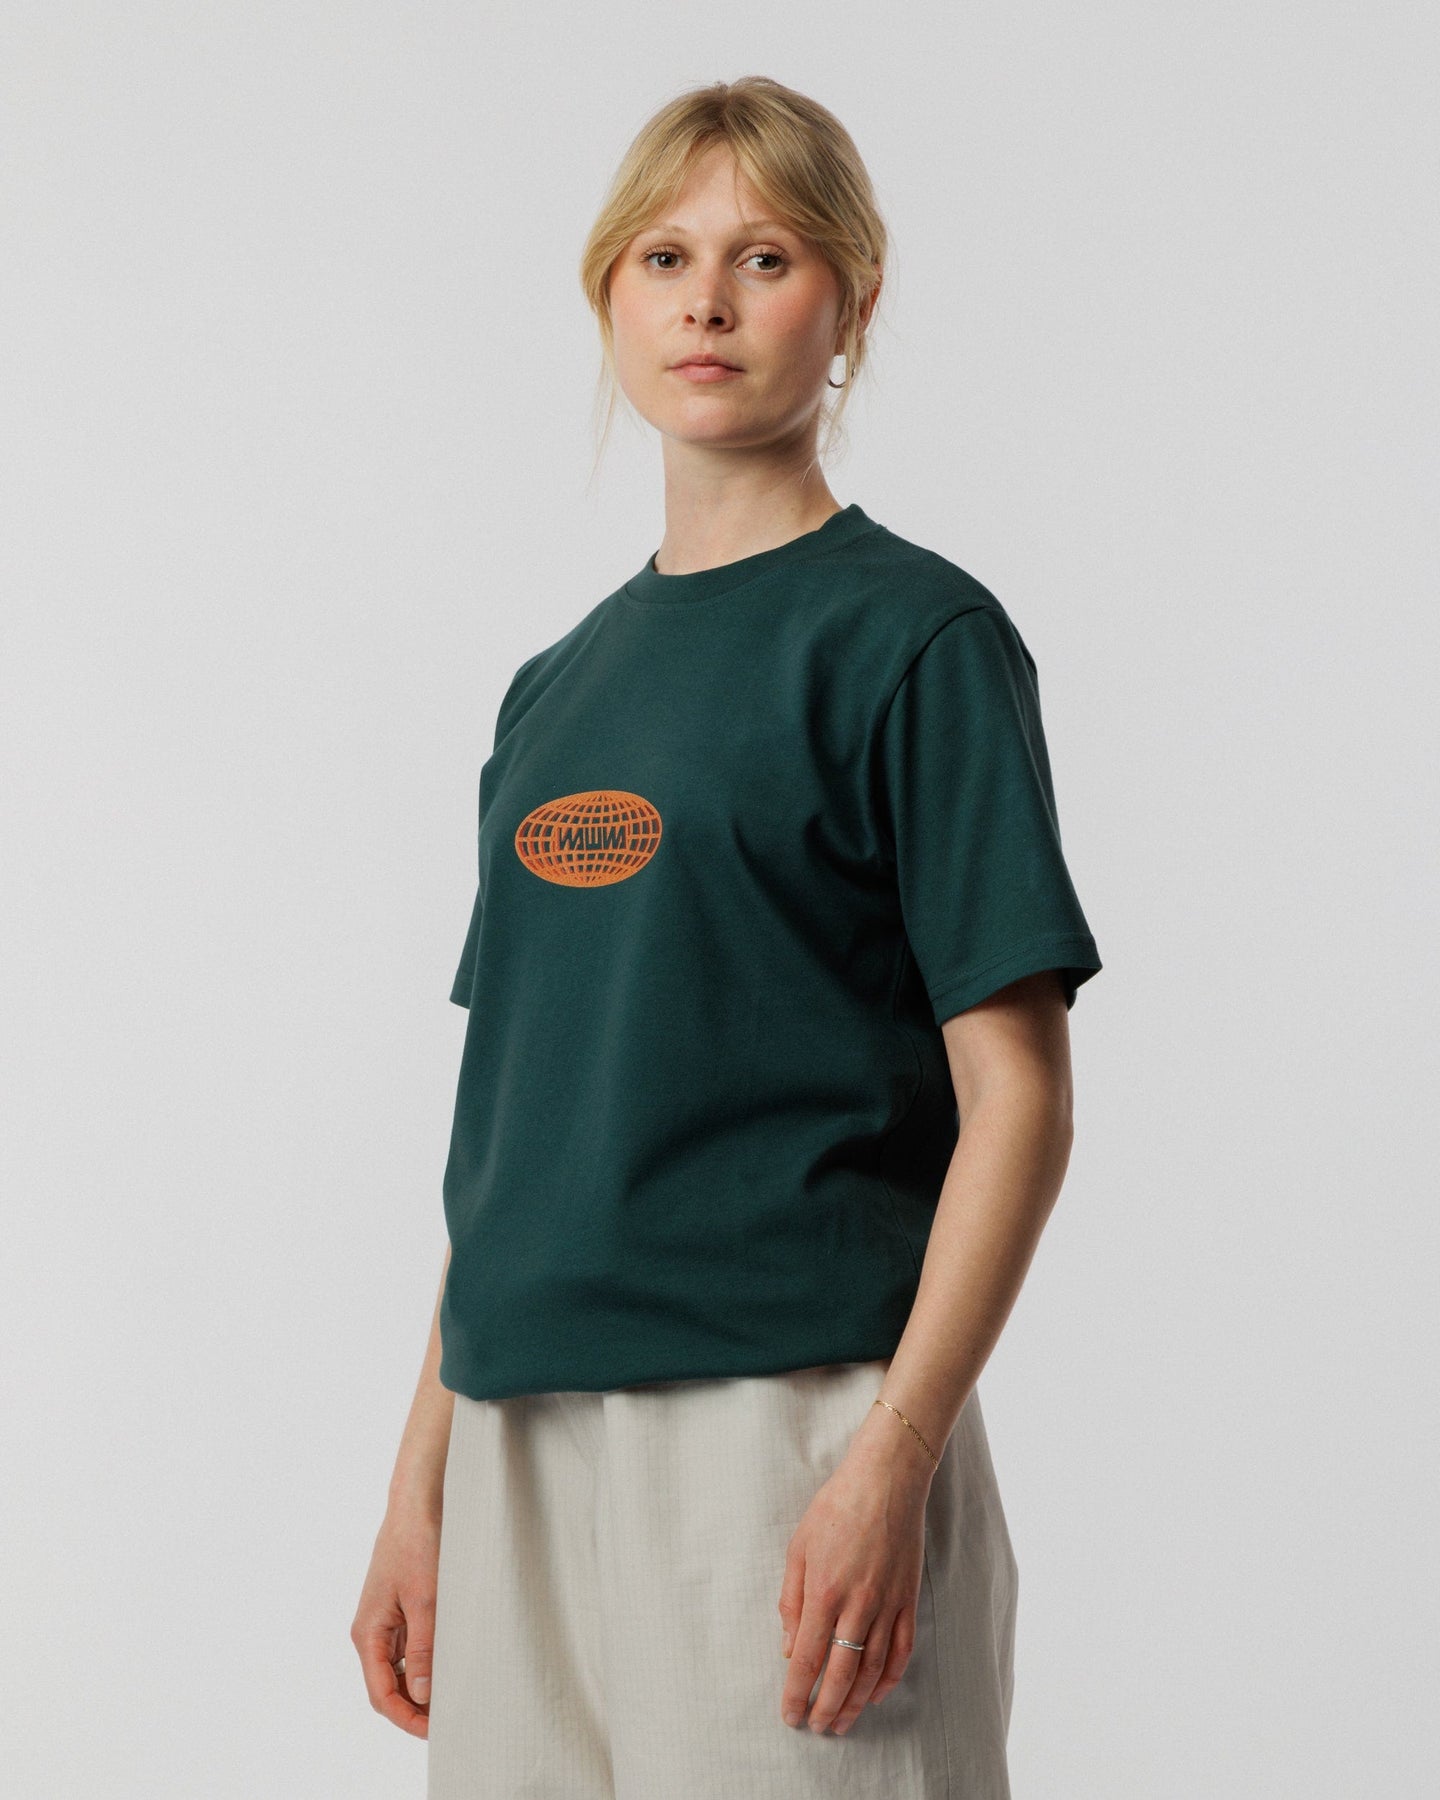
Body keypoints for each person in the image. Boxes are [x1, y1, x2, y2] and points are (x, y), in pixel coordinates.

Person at [351, 75, 1103, 1800]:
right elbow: (521, 1124)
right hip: (524, 1429)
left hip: (785, 1424)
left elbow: (1021, 1103)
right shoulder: (552, 693)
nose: (707, 303)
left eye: (765, 258)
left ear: (851, 301)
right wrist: (423, 1479)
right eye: (665, 258)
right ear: (609, 294)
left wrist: (891, 1459)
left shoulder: (915, 641)